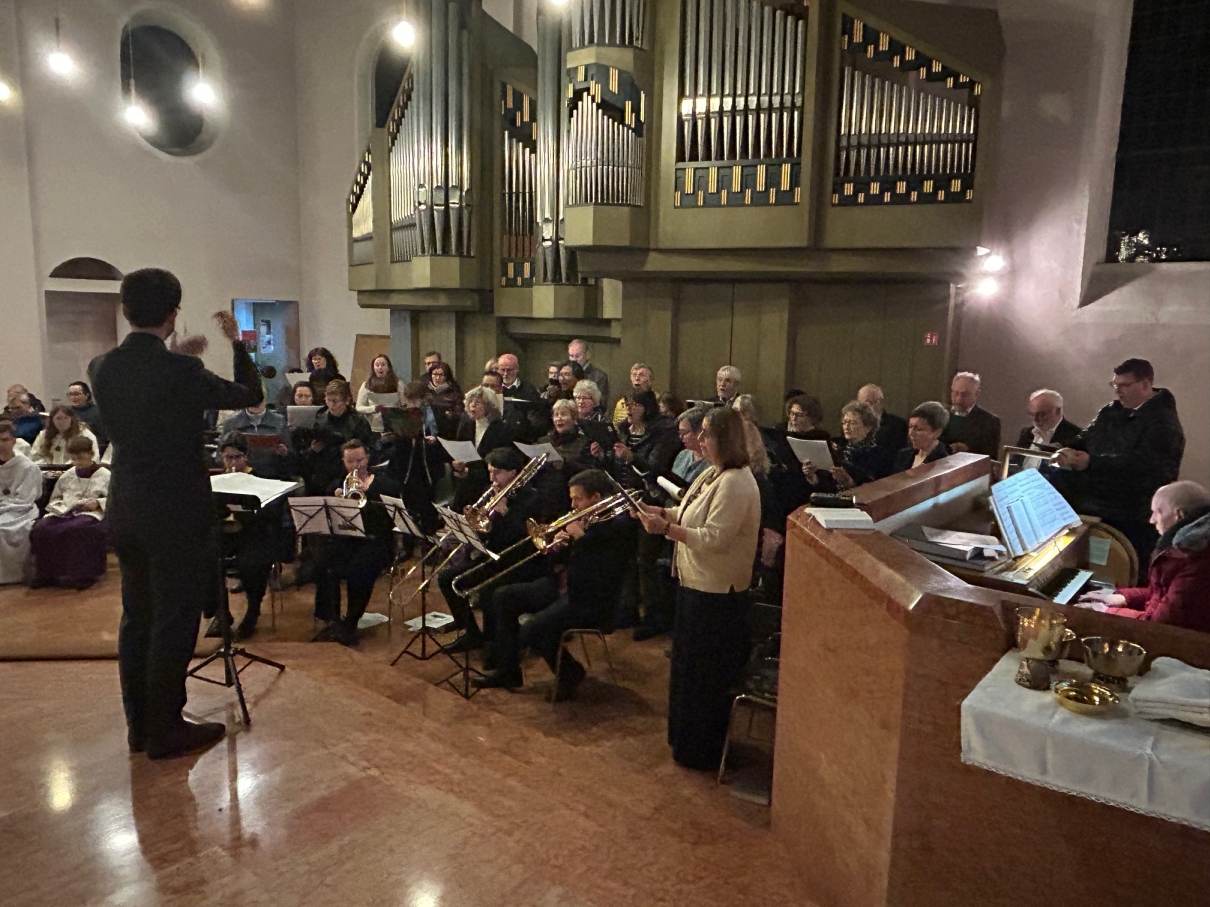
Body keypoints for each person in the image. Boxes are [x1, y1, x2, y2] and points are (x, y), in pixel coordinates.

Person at [89, 267, 262, 759]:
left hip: (126, 505)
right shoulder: (183, 373)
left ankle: (139, 726)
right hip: (176, 510)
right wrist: (237, 345)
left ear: (125, 311)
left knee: (136, 616)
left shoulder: (101, 366)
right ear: (174, 313)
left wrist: (176, 358)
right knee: (175, 617)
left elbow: (146, 387)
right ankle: (166, 730)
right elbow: (250, 395)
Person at [634, 407, 761, 770]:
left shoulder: (736, 481)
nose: (700, 440)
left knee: (704, 677)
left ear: (724, 439)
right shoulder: (712, 474)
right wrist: (657, 512)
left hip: (717, 593)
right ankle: (684, 742)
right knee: (687, 671)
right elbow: (688, 513)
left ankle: (701, 751)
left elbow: (715, 538)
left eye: (706, 433)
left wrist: (665, 531)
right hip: (695, 585)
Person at [474, 468, 637, 699]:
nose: (573, 505)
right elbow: (569, 560)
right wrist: (557, 547)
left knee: (534, 628)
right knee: (503, 596)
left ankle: (570, 672)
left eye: (578, 498)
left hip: (591, 598)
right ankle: (508, 671)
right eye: (571, 498)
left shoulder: (618, 525)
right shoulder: (586, 519)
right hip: (566, 586)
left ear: (596, 498)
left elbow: (601, 572)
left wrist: (579, 537)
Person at [1056, 358, 1185, 577]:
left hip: (1131, 517)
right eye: (1115, 385)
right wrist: (1065, 447)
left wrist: (1091, 462)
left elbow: (1144, 468)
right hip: (1093, 509)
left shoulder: (1164, 423)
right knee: (1082, 572)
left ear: (1145, 384)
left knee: (1118, 576)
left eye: (1124, 385)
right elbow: (1086, 437)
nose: (1118, 392)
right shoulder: (1110, 411)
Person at [437, 447, 543, 654]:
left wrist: (505, 512)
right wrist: (473, 525)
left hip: (518, 561)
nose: (492, 478)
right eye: (490, 471)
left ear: (513, 472)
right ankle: (471, 632)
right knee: (446, 579)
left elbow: (526, 538)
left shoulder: (531, 498)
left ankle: (494, 644)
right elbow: (486, 536)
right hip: (492, 556)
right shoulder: (491, 493)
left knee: (488, 592)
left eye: (497, 472)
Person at [1075, 482, 1210, 633]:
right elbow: (1160, 592)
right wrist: (1122, 598)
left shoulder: (1196, 558)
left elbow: (1159, 624)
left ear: (1179, 515)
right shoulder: (1187, 544)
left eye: (1157, 512)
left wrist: (1106, 611)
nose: (1152, 520)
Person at [312, 440, 401, 646]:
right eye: (350, 461)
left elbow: (389, 521)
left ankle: (351, 621)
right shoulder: (336, 485)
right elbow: (327, 519)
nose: (356, 466)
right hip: (347, 540)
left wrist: (366, 496)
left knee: (359, 570)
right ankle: (332, 619)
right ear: (343, 462)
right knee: (321, 566)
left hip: (376, 541)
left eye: (360, 460)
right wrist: (336, 502)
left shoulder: (386, 484)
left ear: (367, 459)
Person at [207, 433, 291, 641]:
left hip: (255, 535)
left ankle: (253, 611)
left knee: (251, 564)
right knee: (205, 559)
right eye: (228, 458)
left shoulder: (260, 479)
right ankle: (220, 613)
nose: (232, 463)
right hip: (225, 533)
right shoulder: (215, 482)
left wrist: (249, 512)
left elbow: (273, 513)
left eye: (237, 457)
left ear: (246, 458)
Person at [29, 435, 110, 589]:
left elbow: (114, 498)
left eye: (81, 457)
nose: (77, 462)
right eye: (73, 458)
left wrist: (97, 503)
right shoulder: (68, 474)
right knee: (42, 528)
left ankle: (84, 574)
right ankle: (47, 574)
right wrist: (60, 506)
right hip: (66, 511)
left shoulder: (105, 475)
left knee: (79, 529)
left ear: (91, 454)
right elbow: (56, 497)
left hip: (91, 513)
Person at [382, 381, 443, 537]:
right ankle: (409, 538)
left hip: (425, 465)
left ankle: (428, 536)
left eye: (415, 401)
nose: (411, 404)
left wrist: (433, 440)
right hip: (405, 464)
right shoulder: (403, 414)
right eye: (408, 401)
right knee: (405, 501)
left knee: (423, 500)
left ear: (424, 398)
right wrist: (391, 436)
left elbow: (442, 436)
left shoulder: (434, 413)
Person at [301, 380, 374, 495]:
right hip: (324, 468)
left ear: (347, 401)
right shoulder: (320, 419)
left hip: (348, 470)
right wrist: (313, 450)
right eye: (328, 400)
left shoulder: (358, 421)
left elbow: (368, 450)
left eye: (335, 401)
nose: (331, 405)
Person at [802, 401, 893, 492]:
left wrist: (849, 483)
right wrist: (813, 476)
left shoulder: (878, 453)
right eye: (844, 422)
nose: (846, 427)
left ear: (868, 427)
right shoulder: (840, 449)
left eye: (852, 423)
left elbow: (876, 488)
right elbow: (827, 485)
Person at [451, 386, 512, 509]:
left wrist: (470, 472)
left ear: (489, 406)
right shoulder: (466, 423)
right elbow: (460, 448)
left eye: (478, 403)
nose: (472, 406)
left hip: (487, 484)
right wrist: (457, 464)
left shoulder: (499, 428)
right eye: (470, 402)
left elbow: (498, 461)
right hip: (465, 484)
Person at [0, 420, 43, 584]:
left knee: (3, 528)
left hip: (21, 511)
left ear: (13, 441)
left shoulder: (27, 466)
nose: (1, 444)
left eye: (4, 440)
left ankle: (13, 575)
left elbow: (26, 499)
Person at [219, 397, 292, 479]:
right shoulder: (230, 423)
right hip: (239, 474)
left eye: (259, 400)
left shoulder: (280, 421)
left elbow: (291, 454)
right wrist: (231, 458)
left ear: (265, 400)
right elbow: (219, 454)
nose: (255, 404)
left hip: (272, 474)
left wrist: (285, 453)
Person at [940, 371, 1001, 457]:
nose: (958, 399)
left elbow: (990, 458)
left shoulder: (989, 422)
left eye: (965, 394)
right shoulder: (940, 415)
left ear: (977, 394)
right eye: (955, 393)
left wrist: (968, 451)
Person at [30, 405, 99, 465]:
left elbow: (93, 457)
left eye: (66, 418)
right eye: (58, 418)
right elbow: (34, 457)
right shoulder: (43, 435)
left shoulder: (84, 434)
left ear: (72, 419)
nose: (62, 422)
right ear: (52, 420)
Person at [1015, 388, 1080, 450]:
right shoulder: (1027, 433)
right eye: (1032, 414)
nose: (1035, 420)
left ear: (1058, 411)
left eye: (1042, 414)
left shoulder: (1076, 437)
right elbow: (1014, 459)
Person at [894, 401, 951, 472]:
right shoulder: (903, 456)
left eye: (919, 429)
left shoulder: (944, 462)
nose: (910, 433)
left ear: (937, 432)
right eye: (910, 427)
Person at [857, 383, 908, 453]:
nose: (865, 408)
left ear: (880, 402)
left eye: (869, 403)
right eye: (862, 405)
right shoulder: (853, 424)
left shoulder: (898, 425)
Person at [66, 381, 108, 452]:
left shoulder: (98, 412)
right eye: (70, 394)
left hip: (89, 450)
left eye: (77, 394)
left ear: (87, 395)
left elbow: (102, 438)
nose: (73, 397)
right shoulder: (66, 412)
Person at [567, 339, 610, 407]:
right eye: (571, 356)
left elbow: (602, 403)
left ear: (587, 355)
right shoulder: (565, 374)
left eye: (577, 356)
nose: (574, 360)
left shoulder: (599, 376)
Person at [426, 361, 463, 433]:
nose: (437, 378)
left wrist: (449, 414)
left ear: (447, 376)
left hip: (447, 429)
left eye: (441, 375)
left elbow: (459, 413)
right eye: (435, 374)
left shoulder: (454, 392)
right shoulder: (425, 390)